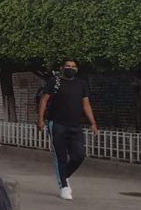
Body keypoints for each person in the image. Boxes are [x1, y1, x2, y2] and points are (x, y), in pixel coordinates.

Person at [37, 58, 98, 200]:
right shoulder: (55, 82)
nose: (71, 68)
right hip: (57, 124)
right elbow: (44, 100)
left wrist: (93, 122)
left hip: (76, 125)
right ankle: (63, 186)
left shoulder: (81, 84)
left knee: (79, 155)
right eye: (68, 66)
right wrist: (40, 119)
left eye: (74, 66)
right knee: (60, 156)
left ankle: (64, 175)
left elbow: (86, 104)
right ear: (62, 68)